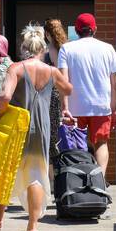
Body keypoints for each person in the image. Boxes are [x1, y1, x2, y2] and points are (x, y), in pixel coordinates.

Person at [0, 24, 72, 231]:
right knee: (36, 174)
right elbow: (68, 89)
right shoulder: (50, 71)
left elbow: (5, 96)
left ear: (24, 48)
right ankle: (32, 227)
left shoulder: (15, 68)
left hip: (18, 125)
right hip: (41, 127)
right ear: (42, 49)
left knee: (8, 170)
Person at [56, 13, 116, 177]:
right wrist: (113, 109)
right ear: (95, 29)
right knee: (100, 144)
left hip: (75, 107)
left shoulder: (66, 49)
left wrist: (65, 107)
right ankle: (99, 182)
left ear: (76, 31)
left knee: (76, 146)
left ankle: (79, 184)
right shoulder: (108, 48)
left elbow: (63, 80)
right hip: (101, 107)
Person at [42, 19, 70, 171]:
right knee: (63, 134)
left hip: (51, 96)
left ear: (47, 33)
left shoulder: (49, 51)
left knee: (52, 136)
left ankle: (52, 178)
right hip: (65, 93)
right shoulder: (68, 48)